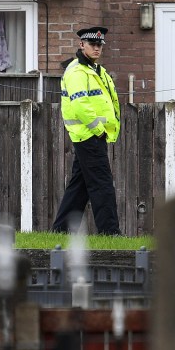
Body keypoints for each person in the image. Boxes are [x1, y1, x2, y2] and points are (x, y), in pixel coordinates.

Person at [52, 26, 121, 235]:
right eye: (93, 44)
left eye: (100, 45)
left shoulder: (96, 70)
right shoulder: (76, 71)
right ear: (82, 45)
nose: (97, 48)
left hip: (92, 135)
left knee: (79, 187)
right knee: (102, 184)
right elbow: (81, 104)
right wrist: (99, 130)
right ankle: (110, 233)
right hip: (89, 135)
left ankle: (61, 230)